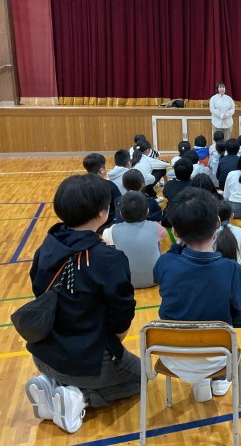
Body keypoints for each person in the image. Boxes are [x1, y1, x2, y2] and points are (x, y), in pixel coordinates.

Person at [25, 174, 139, 434]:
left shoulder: (48, 244)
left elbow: (37, 289)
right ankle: (79, 397)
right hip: (86, 363)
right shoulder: (108, 259)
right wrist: (114, 343)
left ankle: (50, 386)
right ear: (102, 213)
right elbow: (121, 315)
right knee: (139, 379)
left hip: (41, 353)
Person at [154, 187, 241, 402]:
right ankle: (217, 380)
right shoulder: (231, 269)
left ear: (176, 232)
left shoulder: (165, 263)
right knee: (220, 332)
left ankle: (202, 381)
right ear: (218, 222)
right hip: (217, 357)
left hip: (173, 355)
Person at [103, 191, 166, 288]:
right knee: (156, 244)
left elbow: (105, 239)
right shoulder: (157, 227)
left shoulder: (110, 231)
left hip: (126, 281)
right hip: (156, 279)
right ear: (147, 211)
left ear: (121, 213)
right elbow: (163, 234)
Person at [82, 153, 121, 230]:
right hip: (108, 224)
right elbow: (119, 204)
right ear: (102, 170)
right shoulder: (110, 186)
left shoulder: (80, 185)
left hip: (88, 224)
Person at [214, 200, 241, 266]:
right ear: (232, 215)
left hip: (216, 267)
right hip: (237, 265)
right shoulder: (239, 231)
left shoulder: (211, 233)